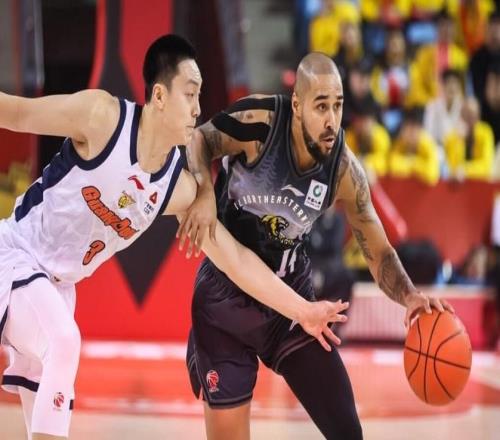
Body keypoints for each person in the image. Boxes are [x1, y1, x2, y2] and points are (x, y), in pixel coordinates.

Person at [0, 35, 345, 440]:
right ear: (160, 96)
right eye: (190, 94)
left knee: (49, 385)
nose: (199, 109)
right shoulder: (101, 118)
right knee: (63, 341)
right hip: (15, 255)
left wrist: (302, 309)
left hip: (58, 287)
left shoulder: (174, 188)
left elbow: (235, 260)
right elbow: (17, 113)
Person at [180, 53, 454, 440]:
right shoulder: (259, 123)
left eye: (337, 106)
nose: (331, 120)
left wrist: (409, 296)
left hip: (290, 304)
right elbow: (199, 139)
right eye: (321, 106)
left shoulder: (343, 170)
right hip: (225, 300)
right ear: (297, 105)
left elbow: (378, 249)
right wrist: (205, 192)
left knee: (348, 432)